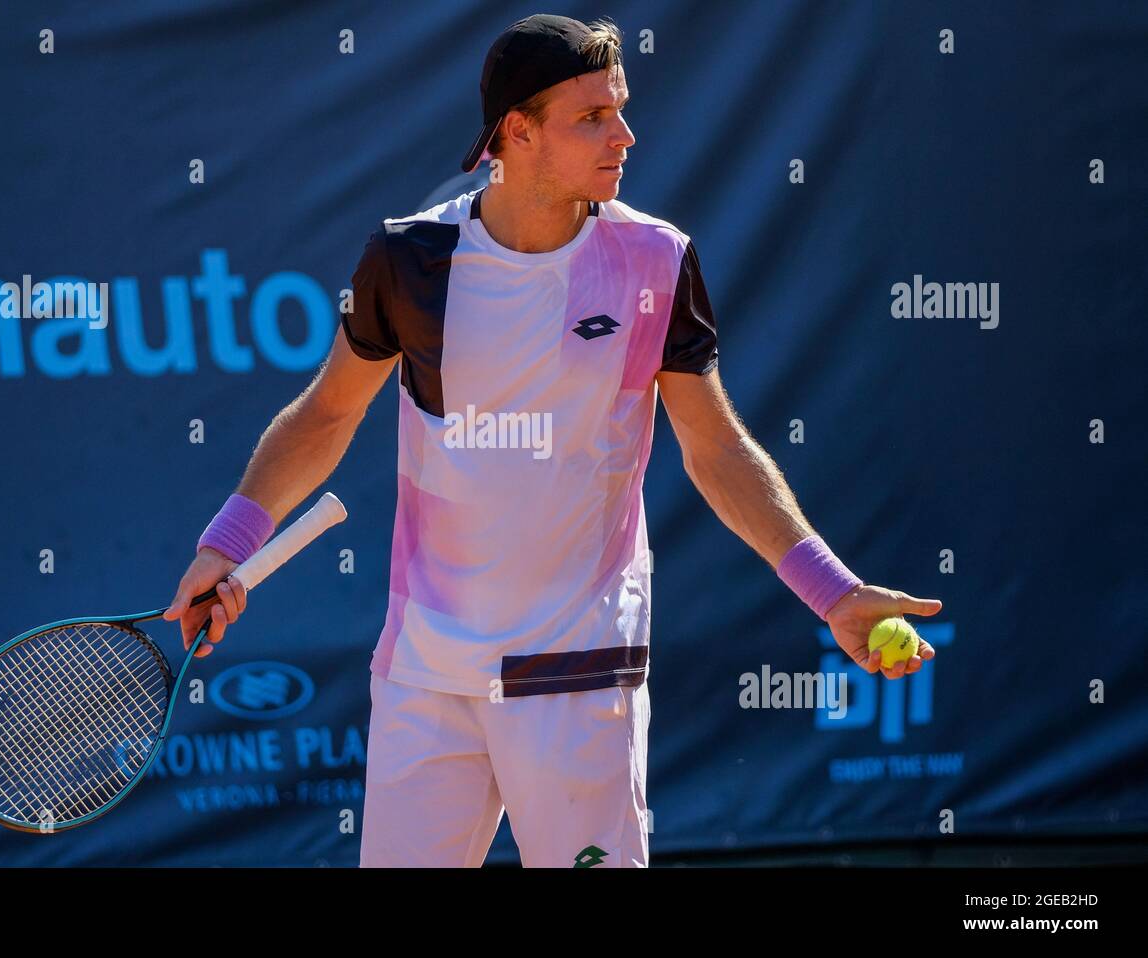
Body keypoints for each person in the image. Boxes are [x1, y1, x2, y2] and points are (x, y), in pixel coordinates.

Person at [164, 14, 942, 868]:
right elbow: (325, 415)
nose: (626, 134)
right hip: (427, 675)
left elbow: (715, 448)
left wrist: (833, 595)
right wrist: (227, 542)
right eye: (593, 117)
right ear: (515, 133)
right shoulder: (409, 260)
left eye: (621, 109)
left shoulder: (656, 261)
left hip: (581, 674)